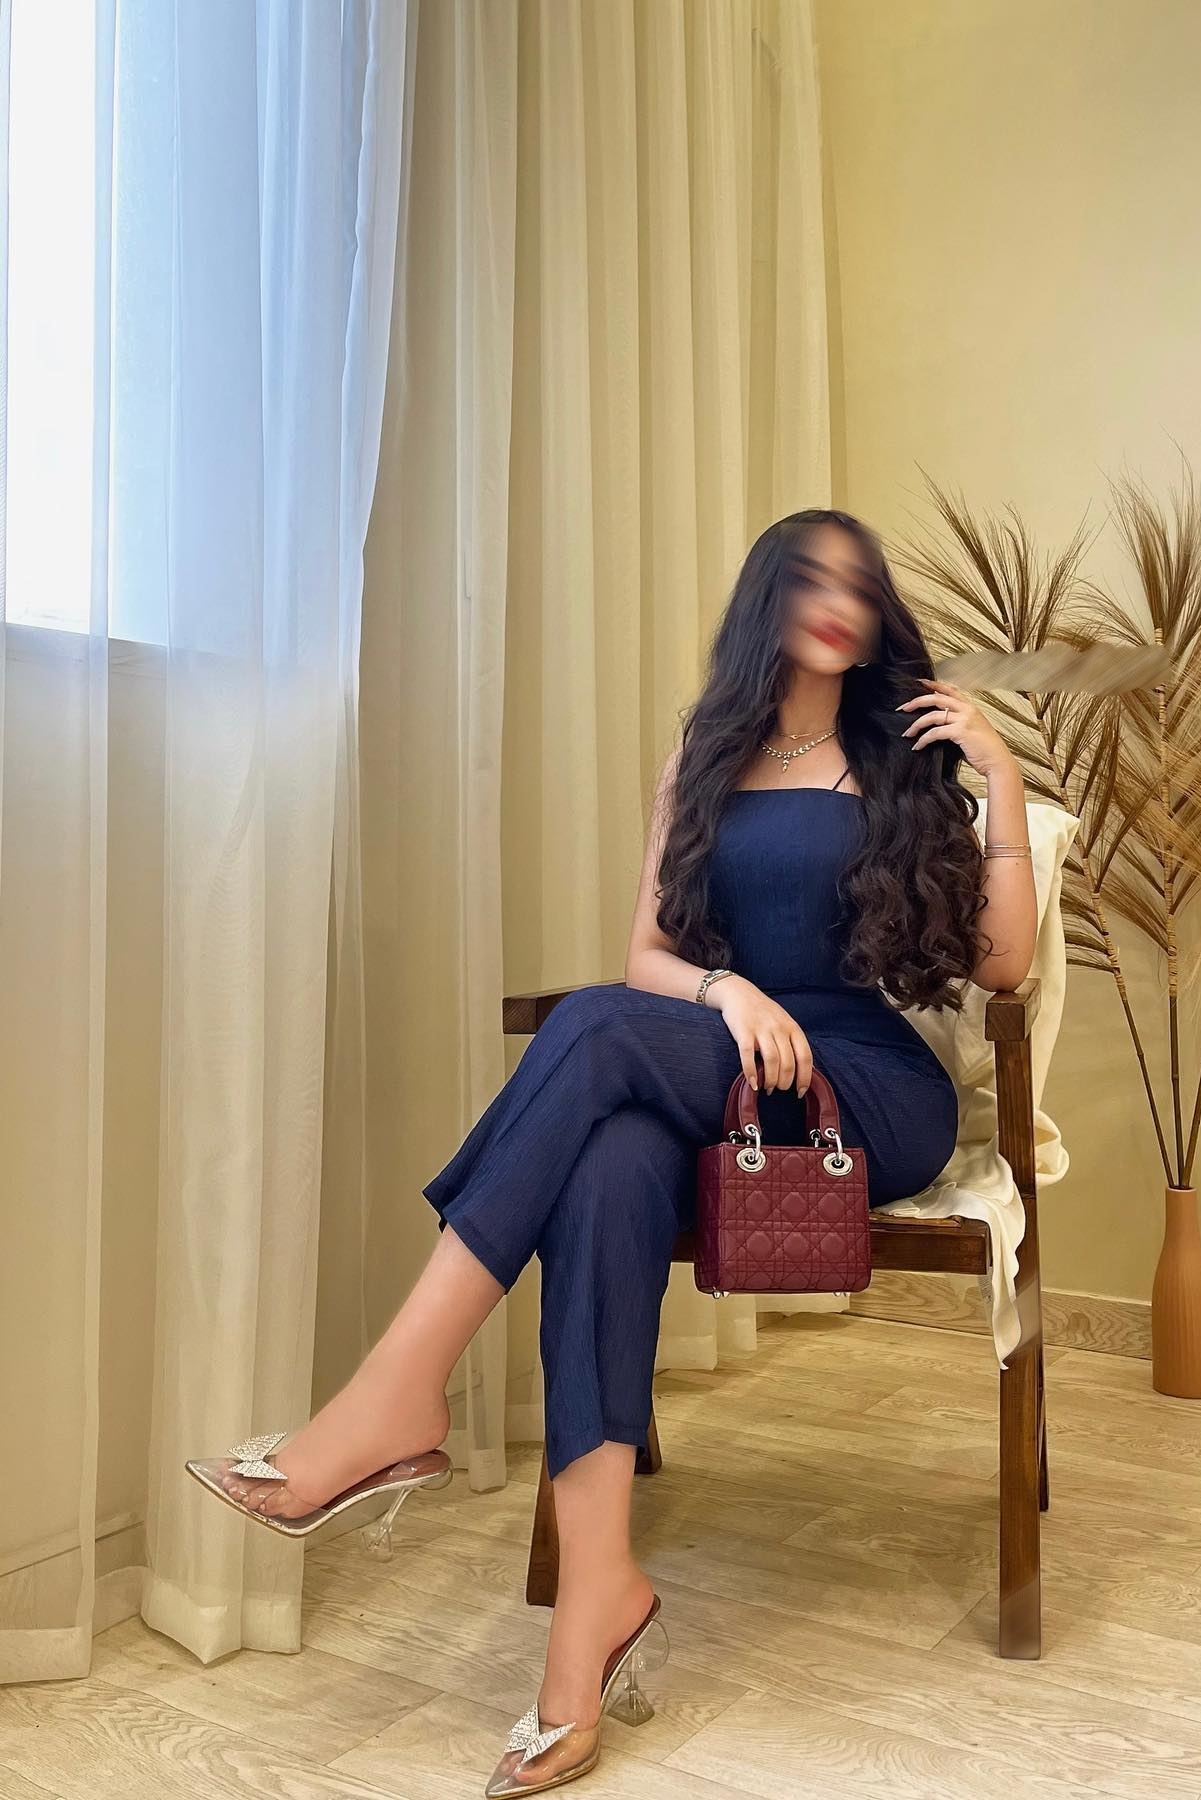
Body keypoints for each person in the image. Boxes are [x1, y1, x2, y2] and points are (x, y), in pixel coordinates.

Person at [184, 507, 1038, 1796]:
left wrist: (1003, 784)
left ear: (877, 621)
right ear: (764, 598)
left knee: (585, 1027)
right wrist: (728, 993)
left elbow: (1003, 965)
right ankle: (593, 1615)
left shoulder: (900, 760)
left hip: (866, 1088)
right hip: (730, 1058)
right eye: (808, 577)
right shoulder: (705, 754)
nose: (835, 601)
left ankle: (394, 1395)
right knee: (608, 1166)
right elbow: (652, 956)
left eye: (859, 585)